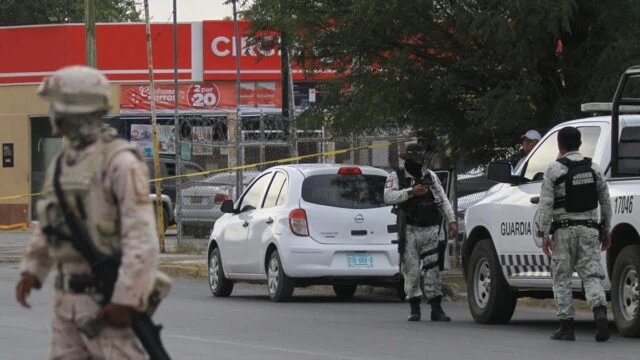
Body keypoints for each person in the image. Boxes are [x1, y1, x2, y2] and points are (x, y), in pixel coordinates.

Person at [15, 65, 163, 358]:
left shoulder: (120, 162)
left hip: (106, 303)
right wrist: (32, 270)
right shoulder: (60, 165)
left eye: (57, 104)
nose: (53, 112)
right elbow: (49, 225)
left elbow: (141, 238)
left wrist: (127, 297)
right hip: (66, 304)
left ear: (77, 108)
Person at [538, 126, 612, 342]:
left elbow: (545, 206)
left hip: (563, 231)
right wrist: (605, 229)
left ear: (559, 146)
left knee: (561, 278)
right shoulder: (595, 169)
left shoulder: (553, 170)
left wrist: (544, 235)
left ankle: (566, 327)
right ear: (579, 144)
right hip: (590, 229)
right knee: (591, 276)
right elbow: (605, 202)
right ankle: (599, 314)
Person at [384, 143, 457, 322]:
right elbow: (388, 197)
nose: (420, 162)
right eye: (416, 159)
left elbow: (442, 199)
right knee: (412, 270)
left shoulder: (429, 176)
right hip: (408, 230)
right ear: (409, 160)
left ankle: (436, 308)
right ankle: (414, 308)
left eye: (421, 158)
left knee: (432, 269)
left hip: (430, 229)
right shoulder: (397, 176)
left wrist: (451, 220)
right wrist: (410, 192)